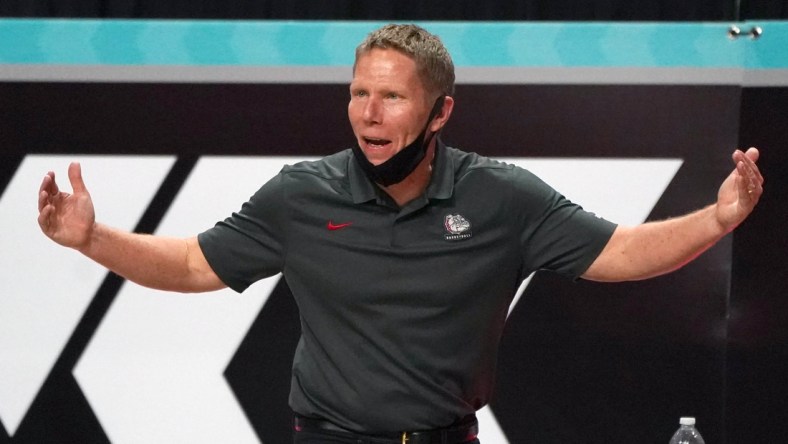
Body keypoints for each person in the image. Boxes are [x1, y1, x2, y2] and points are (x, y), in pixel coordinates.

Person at [37, 24, 763, 444]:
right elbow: (196, 262)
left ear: (441, 112)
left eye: (391, 97)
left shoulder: (500, 196)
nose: (369, 115)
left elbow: (619, 252)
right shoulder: (301, 194)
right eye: (358, 93)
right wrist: (92, 237)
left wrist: (719, 217)